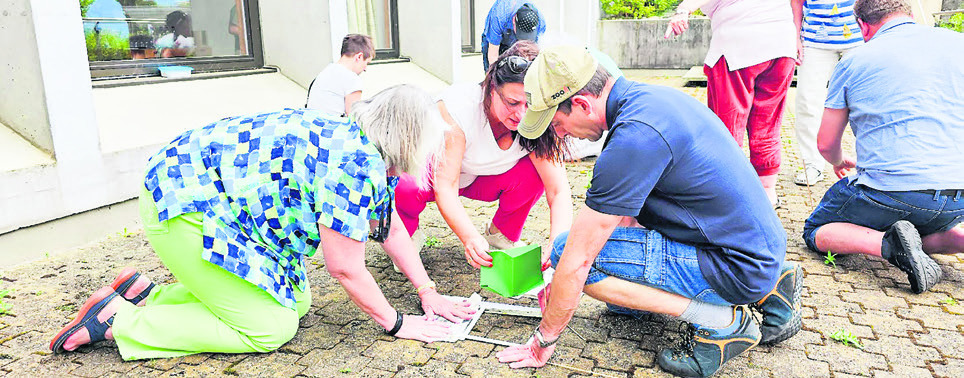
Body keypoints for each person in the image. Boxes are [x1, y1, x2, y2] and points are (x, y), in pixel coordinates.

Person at [49, 85, 475, 359]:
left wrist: (427, 290)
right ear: (408, 138)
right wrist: (398, 323)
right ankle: (117, 323)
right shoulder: (355, 163)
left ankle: (148, 297)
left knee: (296, 301)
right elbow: (345, 267)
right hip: (184, 205)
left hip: (213, 202)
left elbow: (391, 226)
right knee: (268, 327)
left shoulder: (360, 139)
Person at [495, 46, 801, 377]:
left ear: (582, 104)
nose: (560, 133)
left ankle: (723, 323)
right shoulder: (649, 100)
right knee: (610, 290)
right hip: (756, 247)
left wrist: (543, 339)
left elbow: (579, 259)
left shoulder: (633, 139)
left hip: (736, 266)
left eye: (558, 123)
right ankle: (774, 283)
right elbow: (622, 216)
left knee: (565, 251)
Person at [803, 0, 964, 294]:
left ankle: (888, 245)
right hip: (959, 196)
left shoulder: (854, 60)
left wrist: (839, 161)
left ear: (863, 26)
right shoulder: (959, 43)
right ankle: (955, 240)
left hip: (891, 190)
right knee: (924, 227)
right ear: (910, 14)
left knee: (816, 230)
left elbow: (826, 144)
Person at [394, 41, 572, 270]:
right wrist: (470, 237)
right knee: (404, 184)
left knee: (537, 175)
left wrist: (557, 243)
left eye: (530, 104)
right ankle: (404, 235)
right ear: (491, 88)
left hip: (482, 179)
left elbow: (558, 190)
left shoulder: (538, 117)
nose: (521, 114)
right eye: (512, 102)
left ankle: (501, 234)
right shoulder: (459, 107)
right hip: (434, 175)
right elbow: (445, 186)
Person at [666, 0, 797, 207]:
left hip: (740, 42)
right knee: (768, 125)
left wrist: (684, 10)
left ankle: (729, 194)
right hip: (782, 44)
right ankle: (767, 193)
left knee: (727, 126)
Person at [790, 0, 863, 186]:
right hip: (815, 38)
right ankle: (812, 163)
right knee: (807, 102)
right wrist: (795, 36)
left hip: (857, 35)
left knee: (864, 101)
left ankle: (867, 164)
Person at [306, 34, 375, 116]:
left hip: (312, 126)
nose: (365, 69)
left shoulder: (326, 71)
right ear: (359, 57)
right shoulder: (352, 79)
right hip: (332, 127)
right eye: (366, 63)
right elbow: (354, 119)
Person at [481, 1, 545, 70]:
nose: (523, 39)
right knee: (492, 72)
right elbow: (493, 56)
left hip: (512, 35)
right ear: (514, 20)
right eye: (522, 34)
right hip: (498, 38)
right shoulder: (499, 16)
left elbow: (533, 55)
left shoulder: (541, 23)